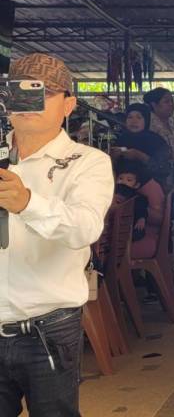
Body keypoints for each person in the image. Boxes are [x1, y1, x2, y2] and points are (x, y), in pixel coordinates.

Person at [0, 53, 114, 415]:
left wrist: (27, 203)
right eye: (18, 91)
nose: (28, 101)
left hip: (47, 328)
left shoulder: (87, 162)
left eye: (42, 92)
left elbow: (85, 227)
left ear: (68, 104)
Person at [114, 103, 172, 189]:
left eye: (139, 117)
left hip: (150, 188)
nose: (134, 121)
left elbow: (164, 169)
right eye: (130, 117)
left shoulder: (156, 141)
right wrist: (113, 157)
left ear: (146, 120)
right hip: (122, 188)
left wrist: (140, 156)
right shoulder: (121, 139)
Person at [114, 157, 165, 244]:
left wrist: (142, 218)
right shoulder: (112, 193)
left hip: (132, 225)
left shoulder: (137, 197)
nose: (123, 182)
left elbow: (142, 208)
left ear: (136, 185)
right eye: (120, 178)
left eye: (129, 180)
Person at [143, 87, 174, 185]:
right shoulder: (148, 123)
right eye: (166, 101)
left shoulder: (171, 121)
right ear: (154, 105)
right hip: (156, 176)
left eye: (172, 101)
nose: (171, 104)